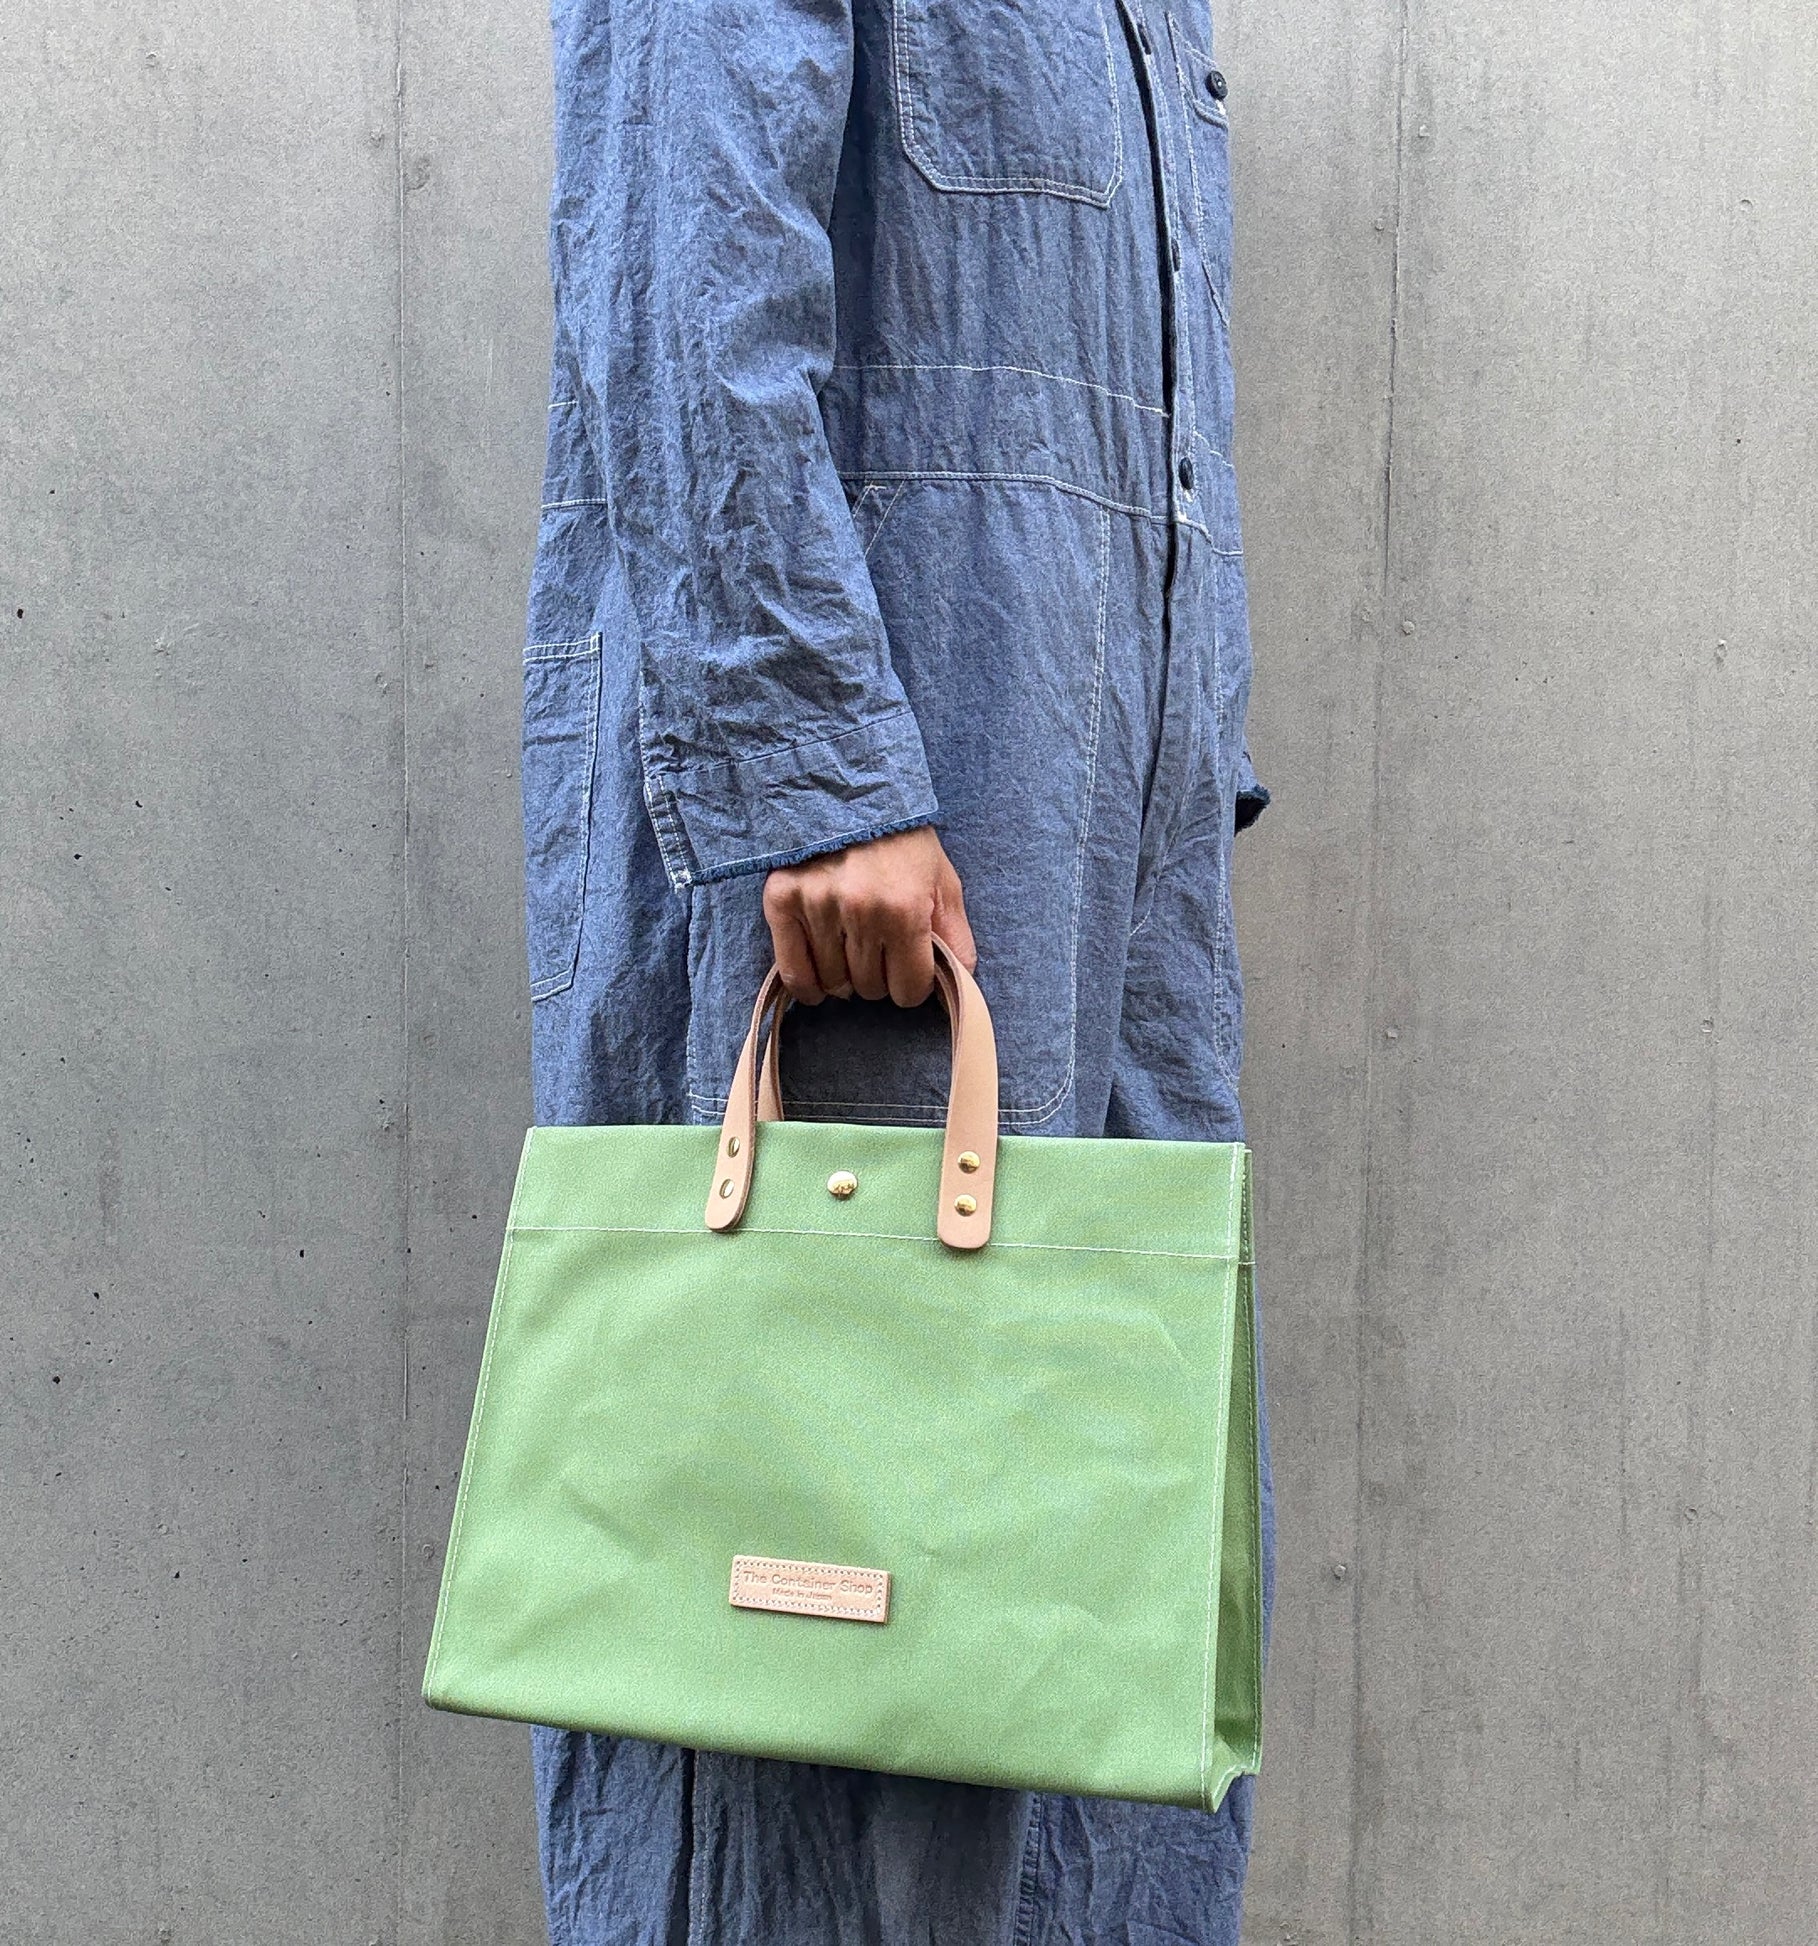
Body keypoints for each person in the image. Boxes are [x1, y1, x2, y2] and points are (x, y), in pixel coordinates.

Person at [514, 0, 1275, 1938]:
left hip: (1107, 844)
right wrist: (809, 761)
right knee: (800, 1650)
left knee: (1076, 1610)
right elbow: (683, 246)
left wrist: (1185, 764)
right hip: (873, 837)